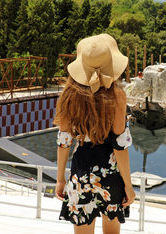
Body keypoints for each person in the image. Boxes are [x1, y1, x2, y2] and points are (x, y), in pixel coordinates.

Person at [54, 33, 135, 234]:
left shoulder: (69, 95)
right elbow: (119, 146)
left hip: (80, 173)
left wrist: (60, 179)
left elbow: (64, 141)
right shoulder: (117, 96)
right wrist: (128, 185)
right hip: (110, 174)